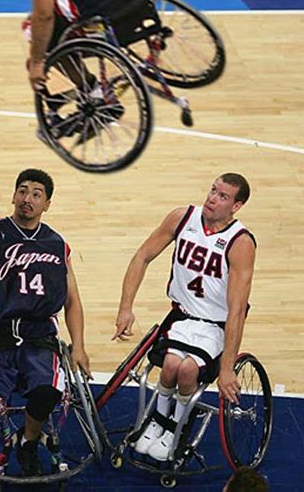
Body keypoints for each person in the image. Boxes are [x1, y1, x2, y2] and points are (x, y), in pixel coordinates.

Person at [113, 173, 256, 461]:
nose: (212, 198)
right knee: (170, 366)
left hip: (214, 326)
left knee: (188, 370)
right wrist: (125, 307)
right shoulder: (182, 218)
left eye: (223, 196)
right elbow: (142, 256)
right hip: (181, 317)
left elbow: (238, 310)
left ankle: (177, 427)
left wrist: (227, 367)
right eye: (213, 190)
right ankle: (159, 422)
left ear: (236, 206)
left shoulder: (240, 243)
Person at [0, 168, 91, 476]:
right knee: (5, 393)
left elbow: (72, 300)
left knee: (47, 392)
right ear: (13, 196)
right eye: (22, 191)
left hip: (40, 338)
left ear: (47, 204)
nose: (27, 199)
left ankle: (29, 442)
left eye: (36, 194)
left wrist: (80, 347)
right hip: (0, 337)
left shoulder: (57, 244)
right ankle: (23, 440)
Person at [24, 0, 153, 90]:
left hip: (105, 23)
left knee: (33, 28)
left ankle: (92, 91)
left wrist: (37, 61)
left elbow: (44, 16)